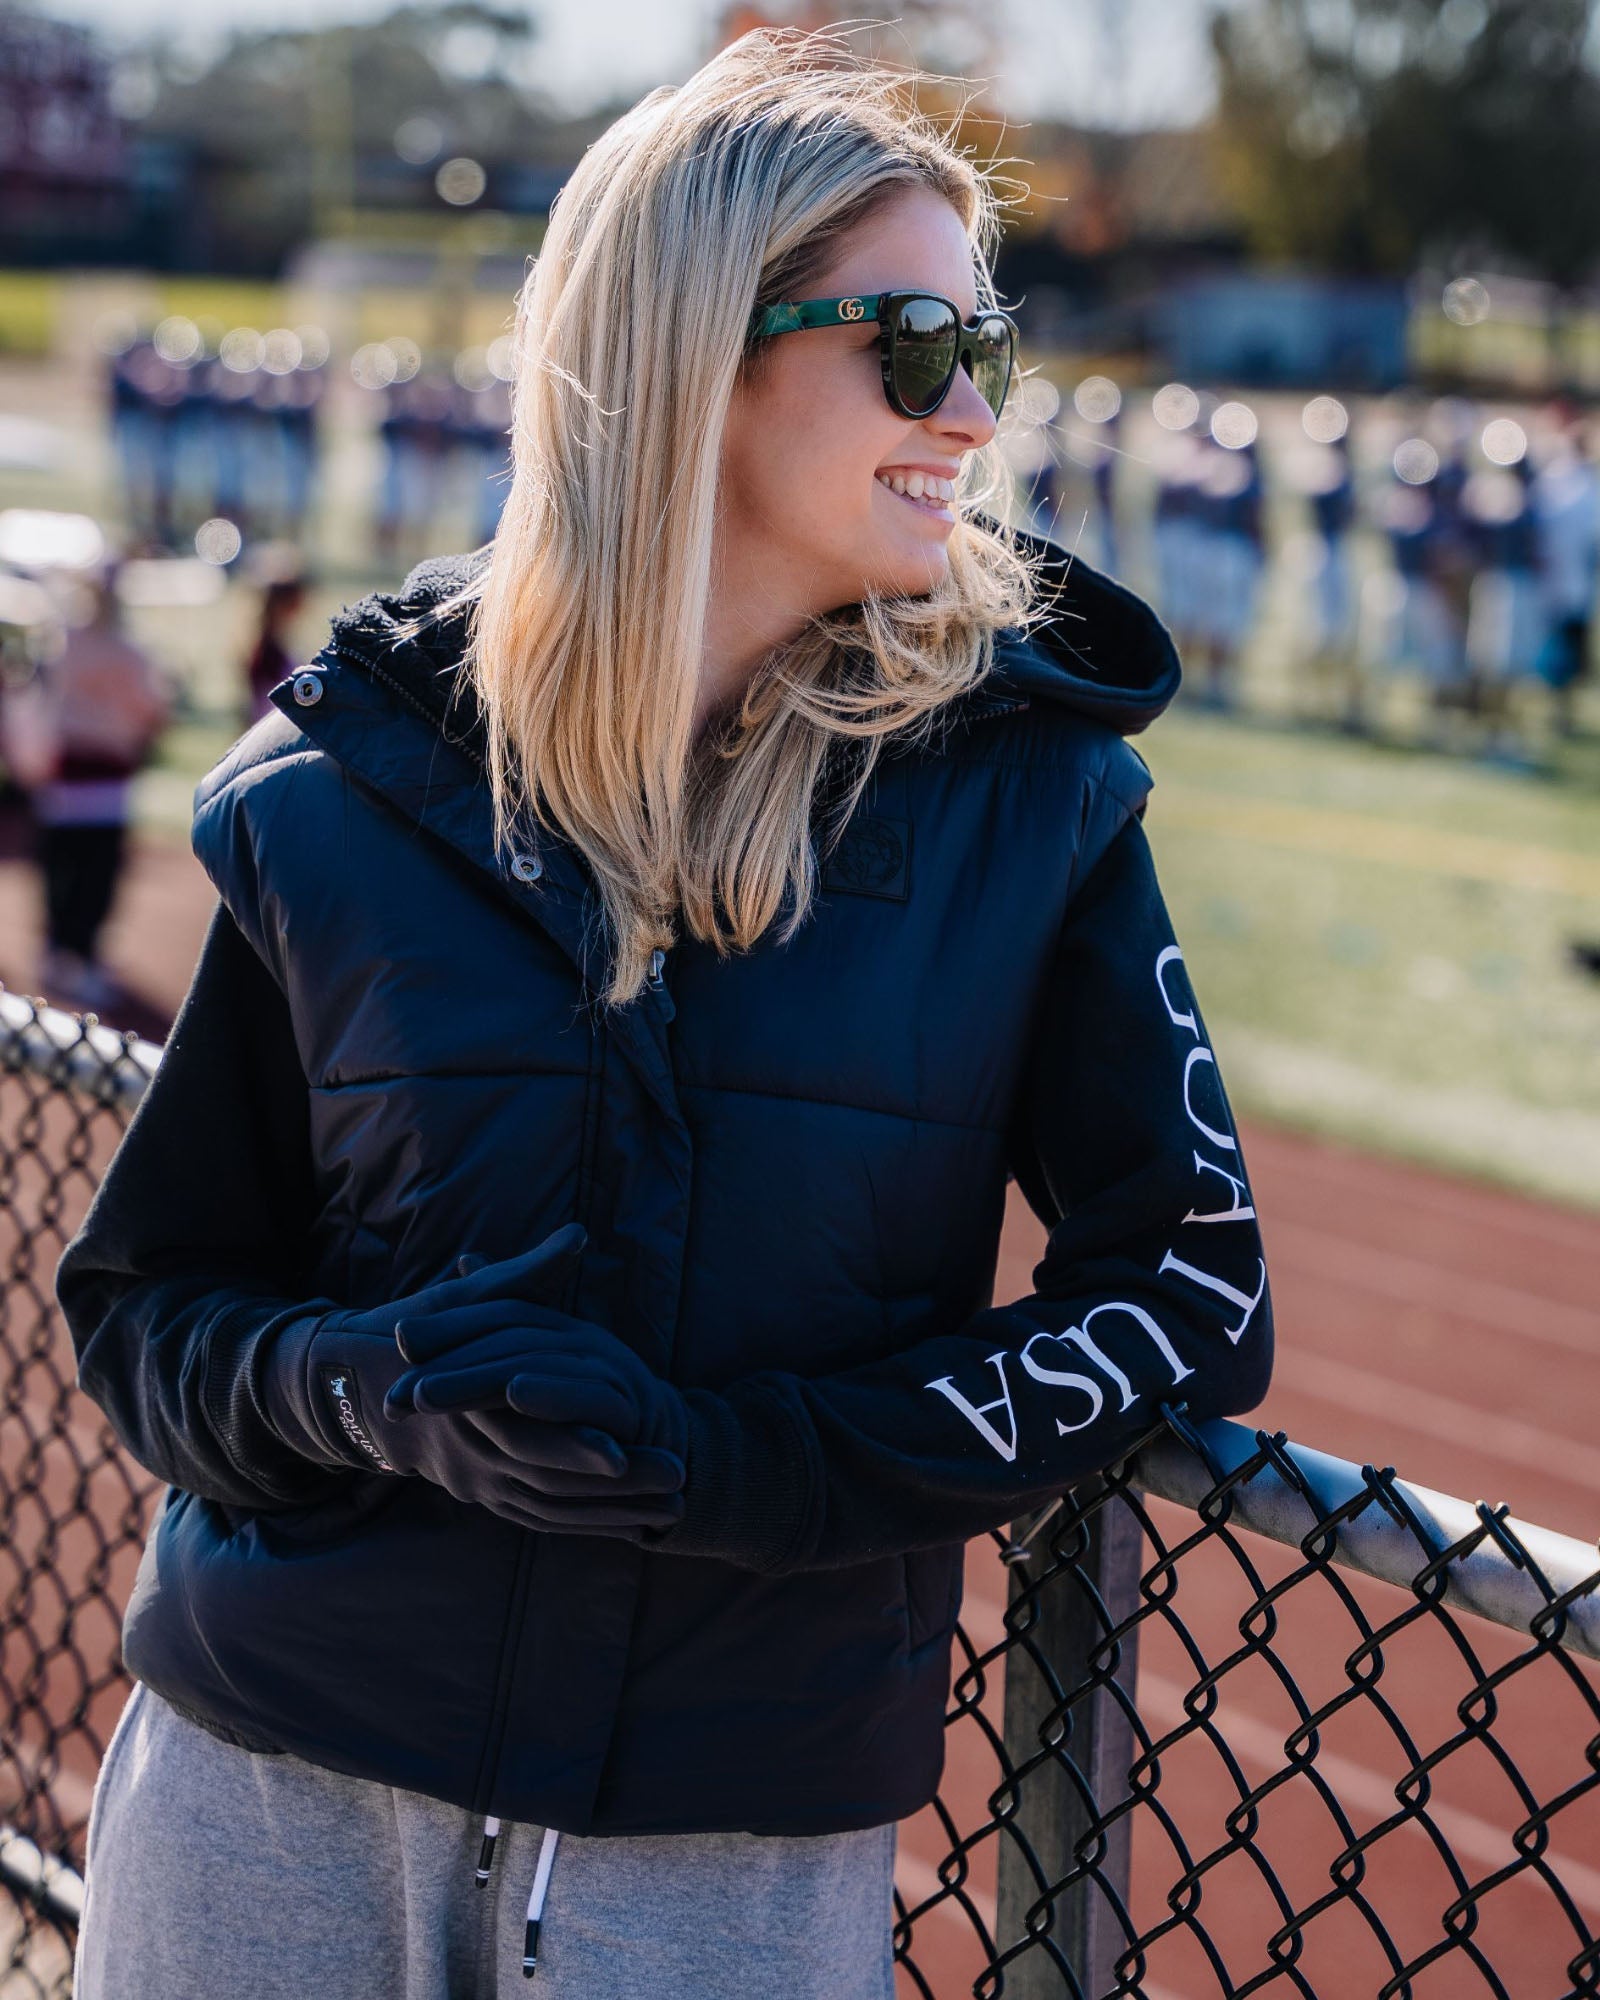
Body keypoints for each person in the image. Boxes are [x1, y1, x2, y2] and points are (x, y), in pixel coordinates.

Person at [57, 28, 1274, 2000]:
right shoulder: (339, 780)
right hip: (253, 1784)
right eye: (907, 343)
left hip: (722, 1839)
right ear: (692, 344)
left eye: (989, 351)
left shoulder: (1032, 803)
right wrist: (378, 1390)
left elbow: (1188, 1294)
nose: (967, 414)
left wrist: (746, 1471)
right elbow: (151, 1311)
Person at [28, 562, 171, 1013]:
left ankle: (61, 952)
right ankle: (78, 957)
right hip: (101, 779)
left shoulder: (64, 642)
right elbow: (152, 711)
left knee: (63, 867)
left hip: (71, 774)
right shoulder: (129, 652)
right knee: (92, 874)